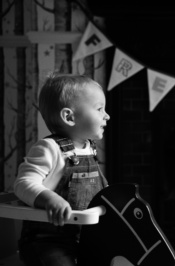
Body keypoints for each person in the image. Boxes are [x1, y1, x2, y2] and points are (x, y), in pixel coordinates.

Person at [13, 73, 110, 266]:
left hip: (83, 236)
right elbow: (23, 183)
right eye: (100, 109)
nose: (107, 115)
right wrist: (51, 199)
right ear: (69, 117)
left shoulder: (89, 149)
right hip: (47, 240)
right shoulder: (49, 148)